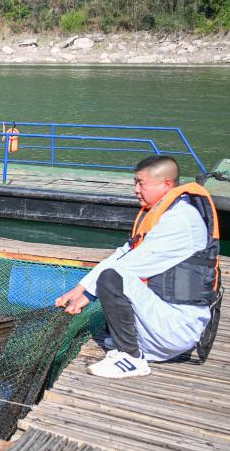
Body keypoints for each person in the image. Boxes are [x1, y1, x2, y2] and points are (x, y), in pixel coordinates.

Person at [55, 155, 220, 378]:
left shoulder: (180, 220)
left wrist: (88, 296)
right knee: (111, 273)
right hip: (162, 318)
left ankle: (132, 358)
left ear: (166, 184)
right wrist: (80, 289)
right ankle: (133, 345)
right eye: (135, 183)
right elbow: (122, 254)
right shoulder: (163, 213)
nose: (135, 190)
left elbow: (128, 266)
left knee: (113, 279)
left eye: (141, 183)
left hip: (176, 327)